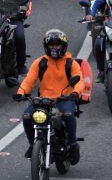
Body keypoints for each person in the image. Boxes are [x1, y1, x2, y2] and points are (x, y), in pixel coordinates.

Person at [15, 30, 85, 166]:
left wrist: (75, 93)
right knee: (26, 116)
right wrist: (21, 93)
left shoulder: (71, 63)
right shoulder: (39, 62)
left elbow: (80, 80)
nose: (54, 48)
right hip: (44, 101)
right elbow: (29, 80)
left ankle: (73, 144)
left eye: (57, 45)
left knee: (69, 115)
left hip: (64, 100)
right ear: (46, 46)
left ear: (63, 46)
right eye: (51, 45)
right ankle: (32, 144)